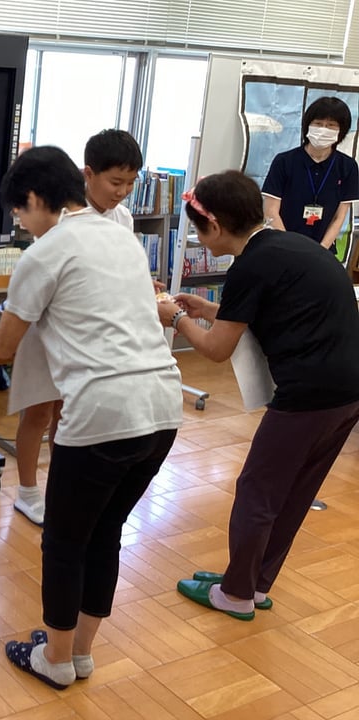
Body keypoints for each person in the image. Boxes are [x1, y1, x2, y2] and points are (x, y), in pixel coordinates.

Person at [0, 147, 182, 689]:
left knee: (64, 541)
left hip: (103, 414)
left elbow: (4, 347)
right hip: (162, 406)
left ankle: (54, 661)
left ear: (37, 199)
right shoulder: (122, 236)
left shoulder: (44, 253)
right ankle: (79, 652)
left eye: (20, 211)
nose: (21, 222)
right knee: (105, 532)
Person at [159, 170, 359, 620]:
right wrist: (208, 309)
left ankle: (235, 594)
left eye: (198, 229)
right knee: (293, 493)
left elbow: (216, 350)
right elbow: (271, 310)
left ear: (215, 226)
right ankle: (253, 584)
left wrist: (175, 319)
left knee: (257, 491)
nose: (198, 238)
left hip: (308, 395)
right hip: (348, 392)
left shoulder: (250, 265)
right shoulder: (288, 247)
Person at [10, 129, 148, 526]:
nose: (122, 192)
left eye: (130, 183)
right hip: (50, 320)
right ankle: (27, 491)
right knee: (39, 408)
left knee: (69, 411)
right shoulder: (58, 209)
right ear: (88, 175)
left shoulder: (122, 219)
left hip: (90, 333)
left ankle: (60, 486)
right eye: (115, 181)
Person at [262, 96, 359, 252]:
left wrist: (319, 252)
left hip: (322, 251)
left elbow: (339, 217)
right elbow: (270, 211)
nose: (323, 129)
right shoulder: (284, 161)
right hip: (282, 247)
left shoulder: (348, 167)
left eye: (331, 125)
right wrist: (290, 248)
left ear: (341, 130)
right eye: (318, 124)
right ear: (307, 125)